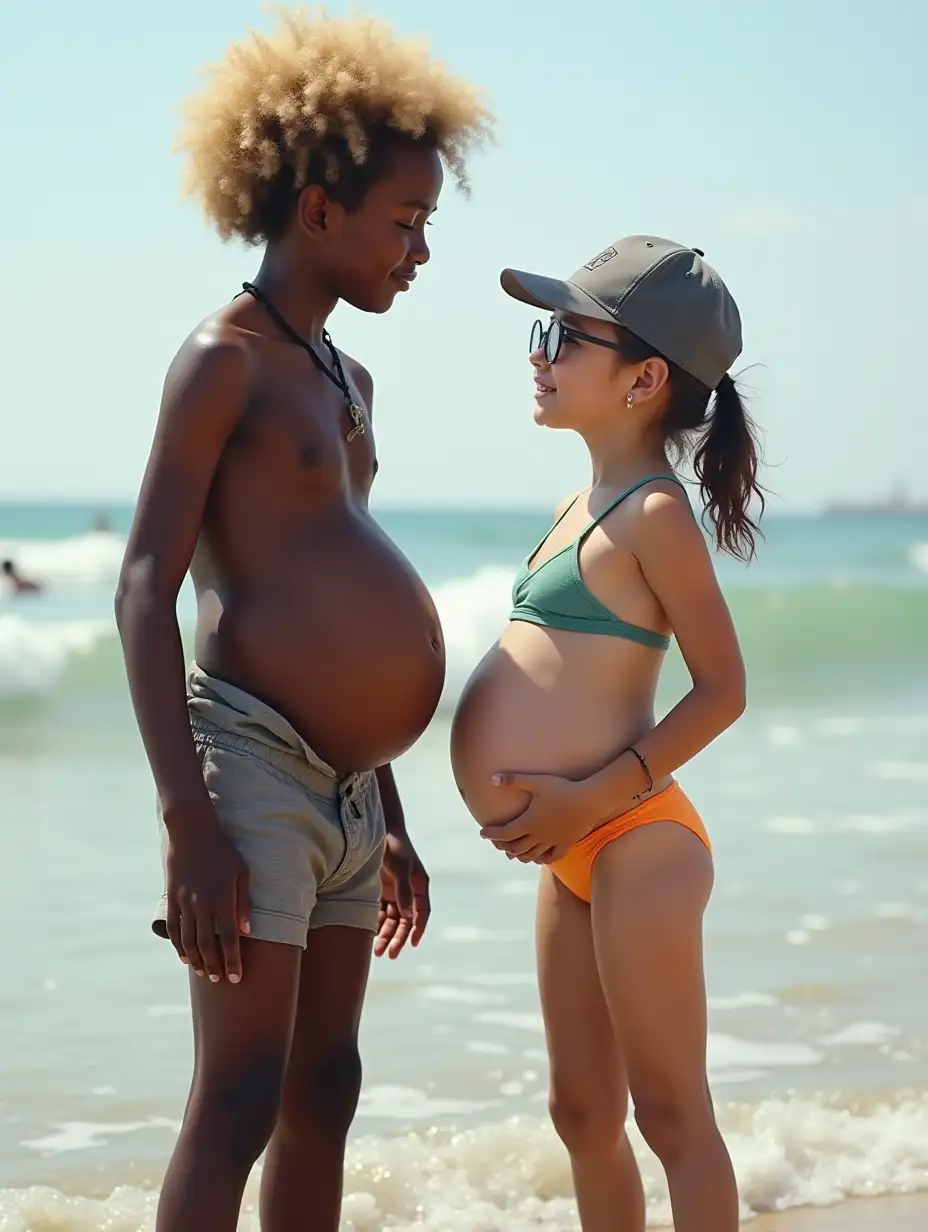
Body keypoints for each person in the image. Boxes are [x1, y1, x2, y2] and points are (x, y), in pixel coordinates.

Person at [114, 11, 491, 1232]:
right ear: (319, 210)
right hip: (250, 772)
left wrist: (386, 809)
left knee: (324, 1085)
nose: (420, 251)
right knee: (236, 1097)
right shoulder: (221, 360)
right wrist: (188, 822)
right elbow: (142, 587)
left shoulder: (346, 379)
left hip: (341, 789)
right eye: (407, 222)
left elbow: (341, 582)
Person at [451, 236, 763, 1232]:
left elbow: (722, 688)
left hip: (634, 837)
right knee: (580, 1109)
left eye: (562, 336)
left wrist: (595, 794)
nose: (537, 354)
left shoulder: (656, 512)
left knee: (673, 1112)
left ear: (644, 379)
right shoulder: (576, 503)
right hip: (573, 849)